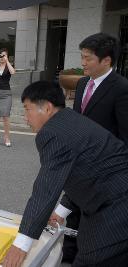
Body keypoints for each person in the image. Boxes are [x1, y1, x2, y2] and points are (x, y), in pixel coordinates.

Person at [3, 81, 128, 267]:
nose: (25, 117)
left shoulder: (52, 133)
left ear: (46, 108)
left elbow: (46, 189)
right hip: (107, 197)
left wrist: (21, 245)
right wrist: (61, 210)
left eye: (27, 109)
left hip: (116, 206)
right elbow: (85, 169)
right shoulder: (70, 119)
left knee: (90, 259)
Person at [50, 32, 128, 263]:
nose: (82, 63)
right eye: (82, 57)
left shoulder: (122, 88)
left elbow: (124, 137)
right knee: (73, 215)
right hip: (79, 163)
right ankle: (69, 254)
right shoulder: (83, 83)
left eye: (88, 58)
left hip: (104, 171)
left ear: (106, 60)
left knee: (93, 221)